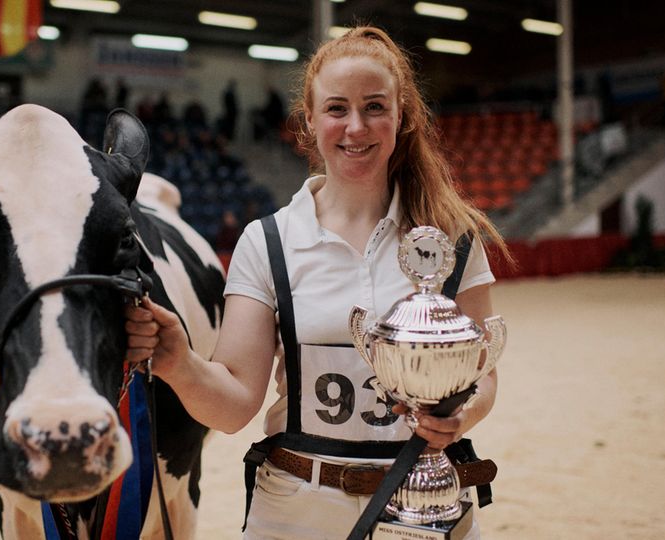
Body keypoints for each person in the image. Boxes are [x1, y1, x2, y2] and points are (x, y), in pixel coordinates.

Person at [125, 26, 509, 539]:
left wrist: (460, 417)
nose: (356, 127)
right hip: (295, 511)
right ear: (308, 119)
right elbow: (235, 406)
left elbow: (482, 374)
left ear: (402, 115)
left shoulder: (452, 236)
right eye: (336, 109)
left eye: (375, 107)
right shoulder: (268, 242)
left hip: (429, 501)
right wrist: (180, 362)